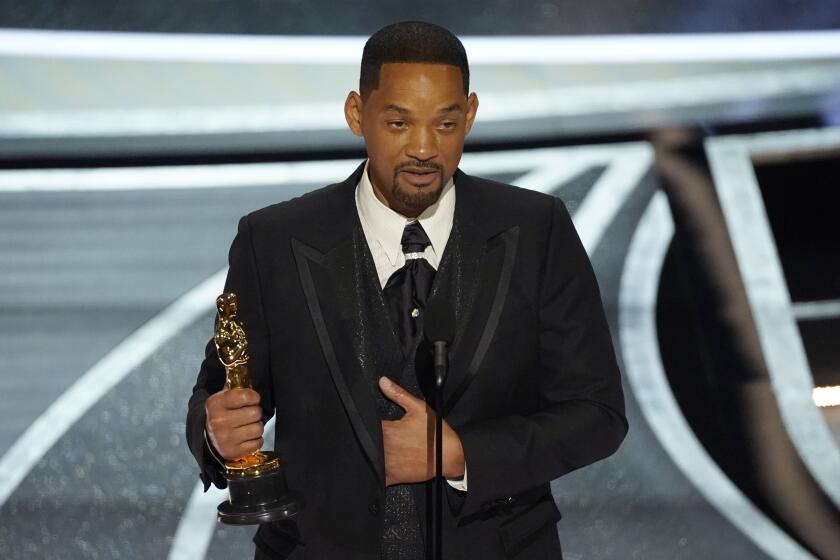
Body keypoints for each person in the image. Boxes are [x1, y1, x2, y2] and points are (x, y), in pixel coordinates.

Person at [187, 21, 627, 560]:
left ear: (469, 115)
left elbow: (596, 414)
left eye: (445, 124)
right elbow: (223, 391)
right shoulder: (273, 240)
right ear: (356, 114)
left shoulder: (538, 230)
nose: (424, 148)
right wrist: (217, 434)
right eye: (398, 122)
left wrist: (460, 453)